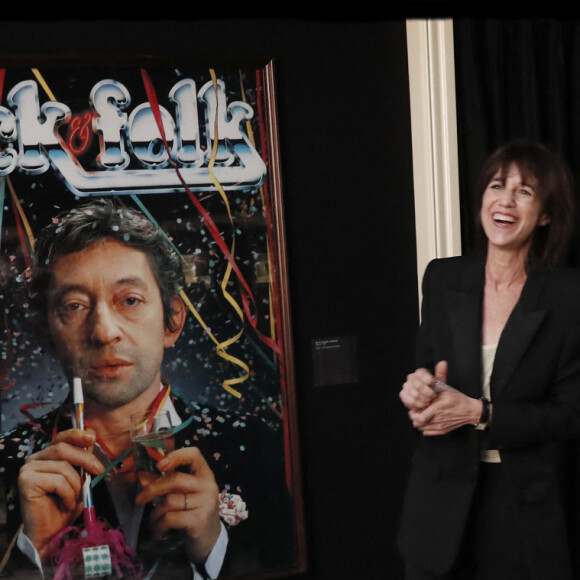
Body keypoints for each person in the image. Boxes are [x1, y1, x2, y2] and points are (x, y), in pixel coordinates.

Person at [0, 199, 297, 579]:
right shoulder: (9, 466)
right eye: (74, 306)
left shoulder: (255, 446)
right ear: (47, 333)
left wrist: (214, 546)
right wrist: (33, 553)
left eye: (129, 300)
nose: (104, 331)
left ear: (172, 321)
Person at [397, 140, 580, 579]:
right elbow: (427, 372)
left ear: (546, 216)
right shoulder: (442, 278)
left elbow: (570, 416)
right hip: (438, 503)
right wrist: (418, 393)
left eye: (525, 192)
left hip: (523, 507)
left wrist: (479, 413)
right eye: (498, 186)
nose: (506, 200)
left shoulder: (568, 296)